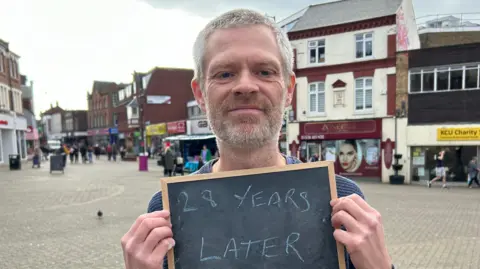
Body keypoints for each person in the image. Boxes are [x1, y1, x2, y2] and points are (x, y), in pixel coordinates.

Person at [121, 9, 394, 269]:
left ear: (288, 90)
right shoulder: (166, 210)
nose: (245, 86)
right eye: (224, 73)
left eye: (264, 71)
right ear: (200, 93)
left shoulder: (343, 200)